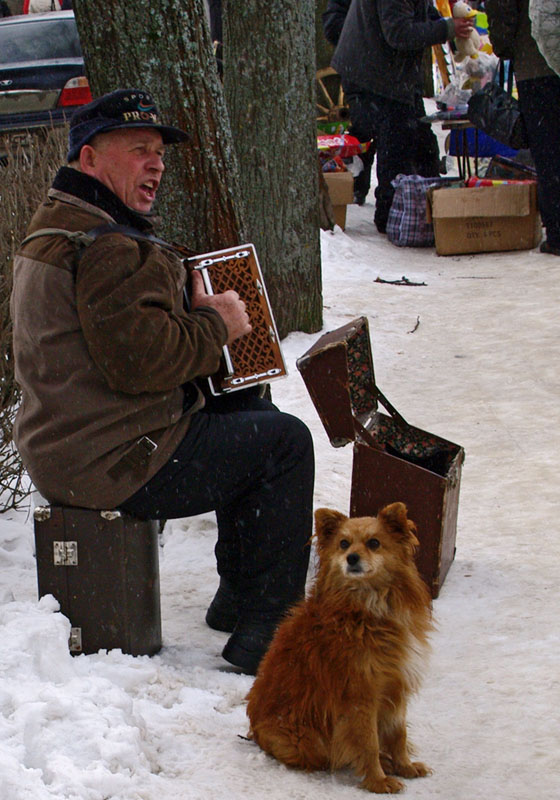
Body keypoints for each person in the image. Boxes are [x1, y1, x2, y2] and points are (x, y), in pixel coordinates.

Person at [10, 89, 314, 675]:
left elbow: (118, 343)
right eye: (140, 150)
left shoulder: (61, 225)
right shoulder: (106, 245)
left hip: (73, 445)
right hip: (113, 463)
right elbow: (141, 365)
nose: (157, 164)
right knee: (286, 445)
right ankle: (273, 638)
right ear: (90, 158)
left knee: (247, 407)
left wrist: (188, 317)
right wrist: (214, 323)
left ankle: (240, 602)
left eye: (160, 153)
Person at [331, 0, 474, 233]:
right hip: (374, 75)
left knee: (421, 142)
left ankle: (432, 211)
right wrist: (447, 29)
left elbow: (423, 11)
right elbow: (399, 34)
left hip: (389, 74)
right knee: (396, 142)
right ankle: (391, 216)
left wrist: (446, 26)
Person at [485, 0, 560, 256]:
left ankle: (559, 232)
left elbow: (502, 11)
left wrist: (504, 44)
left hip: (536, 64)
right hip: (544, 58)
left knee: (548, 148)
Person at [321, 0, 376, 206]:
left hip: (379, 72)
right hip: (359, 71)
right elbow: (332, 26)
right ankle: (355, 186)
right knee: (364, 129)